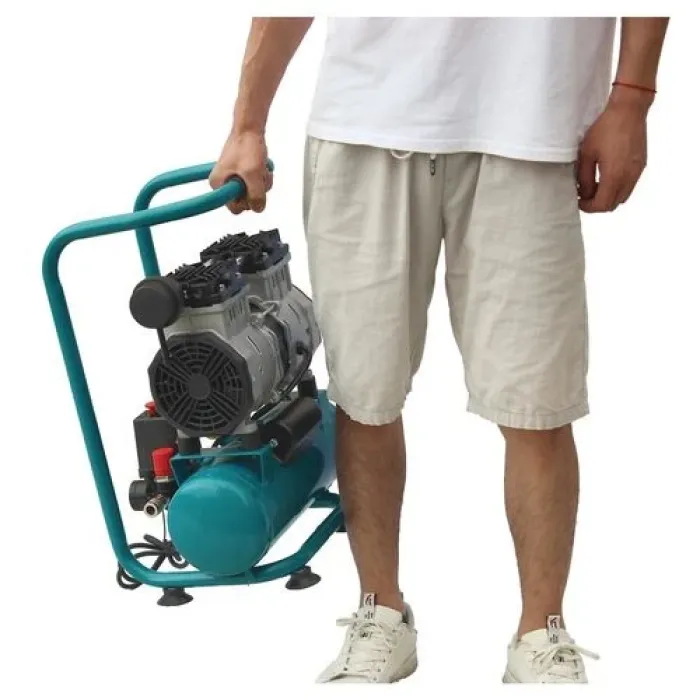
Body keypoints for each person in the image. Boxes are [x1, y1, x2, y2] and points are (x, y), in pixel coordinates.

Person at [210, 17, 668, 684]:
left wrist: (631, 98)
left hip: (529, 121)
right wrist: (248, 123)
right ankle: (380, 614)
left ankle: (541, 634)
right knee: (364, 394)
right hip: (367, 120)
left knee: (538, 402)